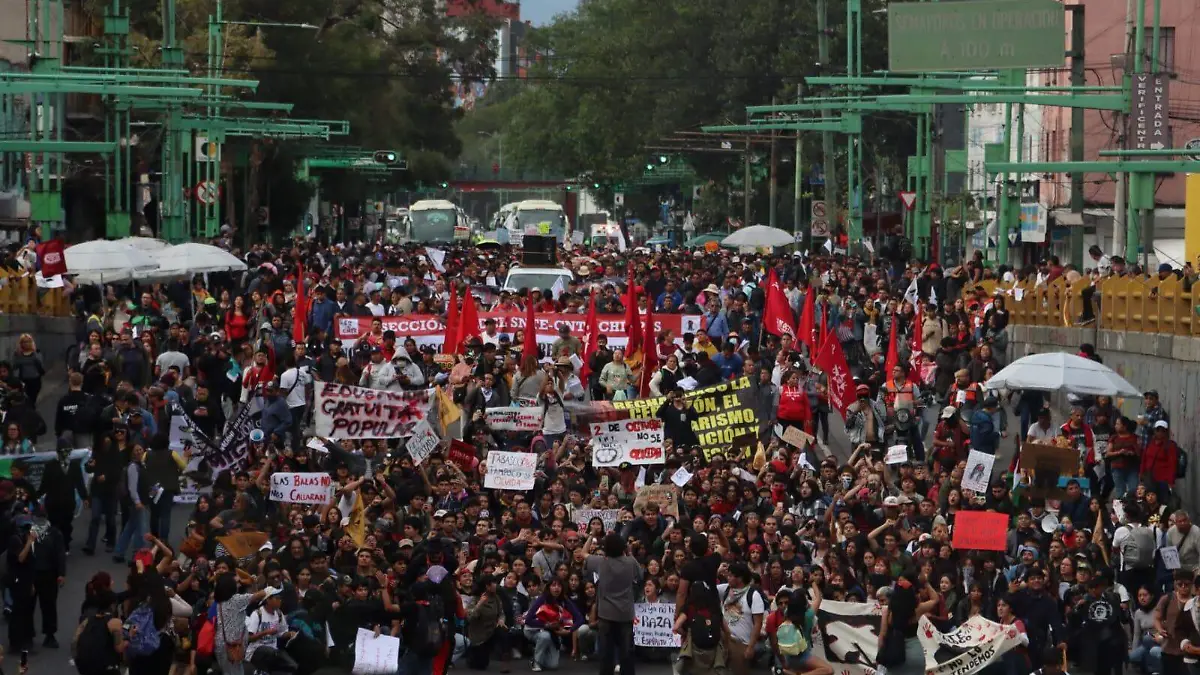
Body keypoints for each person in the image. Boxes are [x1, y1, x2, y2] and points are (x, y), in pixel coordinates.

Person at [584, 532, 643, 675]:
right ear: (623, 547)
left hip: (606, 614)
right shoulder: (630, 562)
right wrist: (629, 552)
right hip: (625, 614)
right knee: (627, 652)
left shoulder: (600, 562)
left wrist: (591, 536)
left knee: (606, 653)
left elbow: (583, 552)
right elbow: (640, 576)